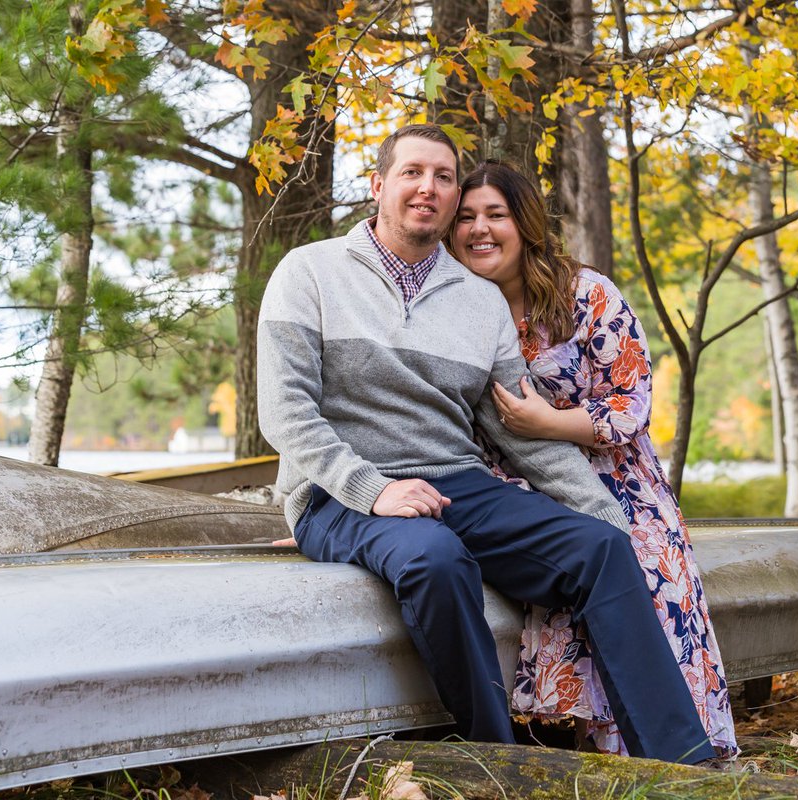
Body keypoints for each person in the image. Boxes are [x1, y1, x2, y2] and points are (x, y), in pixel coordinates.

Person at [257, 123, 716, 765]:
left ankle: (683, 766)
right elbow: (286, 413)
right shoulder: (310, 272)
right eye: (413, 172)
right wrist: (375, 490)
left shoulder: (478, 301)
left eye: (444, 177)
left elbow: (514, 429)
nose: (429, 188)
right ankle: (499, 764)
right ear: (378, 185)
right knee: (435, 559)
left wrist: (600, 512)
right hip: (340, 494)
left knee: (602, 548)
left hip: (458, 483)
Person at [449, 161, 738, 758]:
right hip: (514, 491)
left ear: (524, 224)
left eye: (495, 215)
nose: (480, 229)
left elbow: (632, 404)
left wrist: (546, 424)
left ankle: (669, 760)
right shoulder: (453, 312)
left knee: (639, 577)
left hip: (613, 482)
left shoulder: (584, 293)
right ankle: (580, 758)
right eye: (467, 218)